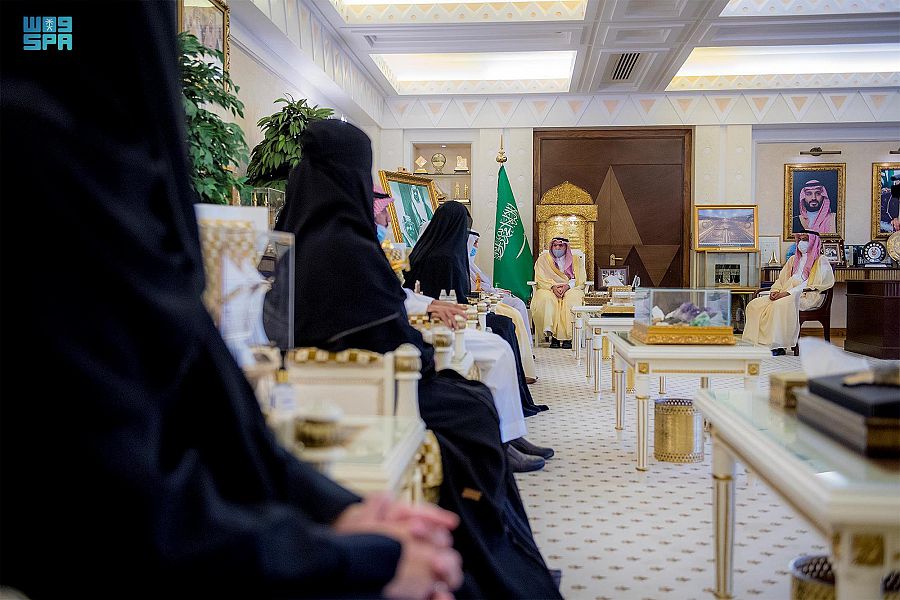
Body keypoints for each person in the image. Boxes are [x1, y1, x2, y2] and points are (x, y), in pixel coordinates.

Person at [0, 3, 463, 598]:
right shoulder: (44, 159)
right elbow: (106, 510)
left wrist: (336, 511)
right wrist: (361, 558)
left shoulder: (97, 154)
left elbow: (198, 390)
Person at [272, 118, 562, 599]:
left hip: (310, 393)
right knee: (473, 409)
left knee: (471, 398)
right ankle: (497, 565)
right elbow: (394, 338)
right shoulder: (348, 246)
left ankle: (506, 553)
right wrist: (426, 352)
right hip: (377, 395)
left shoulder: (293, 240)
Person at [403, 202, 551, 428]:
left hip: (443, 316)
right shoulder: (447, 257)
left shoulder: (430, 251)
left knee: (505, 323)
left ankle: (512, 416)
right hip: (444, 323)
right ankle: (507, 420)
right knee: (504, 328)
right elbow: (451, 299)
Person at [743, 230, 835, 355]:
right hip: (785, 292)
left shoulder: (821, 260)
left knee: (779, 305)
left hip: (807, 295)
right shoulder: (793, 259)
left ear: (813, 242)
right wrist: (775, 291)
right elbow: (781, 279)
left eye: (805, 239)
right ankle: (762, 343)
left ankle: (778, 346)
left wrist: (788, 293)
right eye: (800, 239)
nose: (801, 243)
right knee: (755, 305)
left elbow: (812, 284)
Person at [467, 231, 538, 383]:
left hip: (489, 296)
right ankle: (521, 355)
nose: (477, 246)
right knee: (514, 312)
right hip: (482, 302)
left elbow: (483, 285)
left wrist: (496, 290)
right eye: (475, 243)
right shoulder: (463, 264)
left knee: (518, 303)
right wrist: (494, 292)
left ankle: (526, 351)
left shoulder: (471, 264)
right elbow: (473, 290)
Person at [531, 237, 587, 349]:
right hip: (548, 287)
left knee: (572, 299)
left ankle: (569, 337)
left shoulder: (576, 260)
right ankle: (553, 336)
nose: (557, 248)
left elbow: (580, 279)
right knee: (546, 298)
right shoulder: (543, 259)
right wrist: (553, 287)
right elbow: (540, 278)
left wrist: (568, 286)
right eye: (555, 245)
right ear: (551, 246)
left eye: (560, 245)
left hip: (571, 288)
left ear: (566, 247)